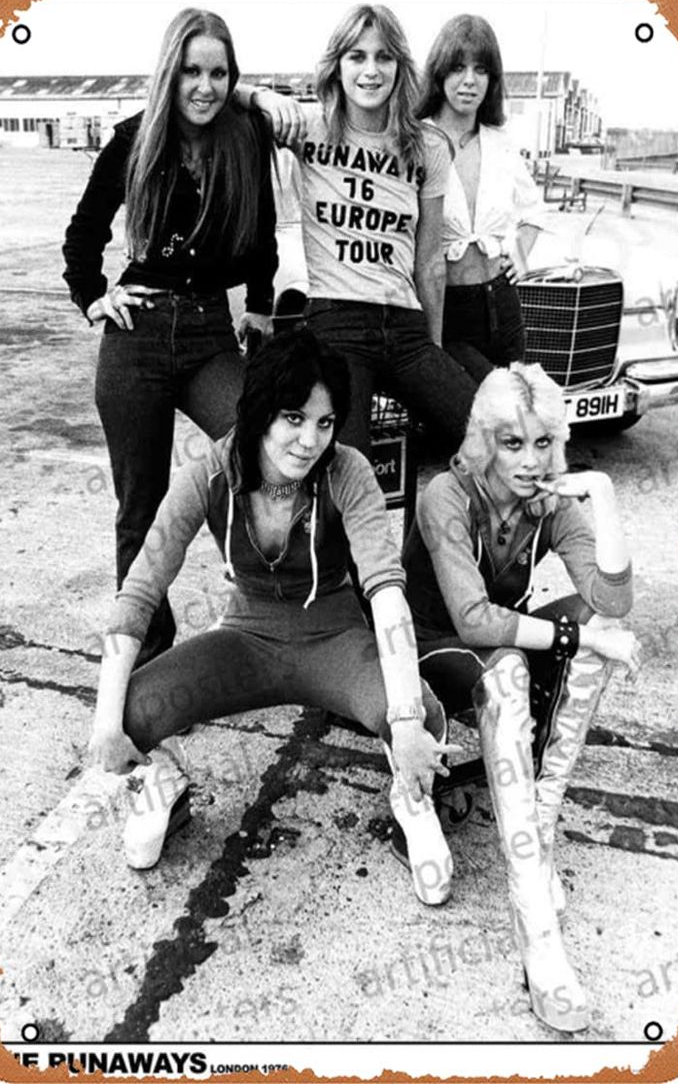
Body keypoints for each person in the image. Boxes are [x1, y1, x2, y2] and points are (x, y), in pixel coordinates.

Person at [88, 328, 461, 907]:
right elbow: (140, 590)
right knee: (133, 708)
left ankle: (411, 795)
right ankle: (162, 783)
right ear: (261, 410)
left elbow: (386, 590)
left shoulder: (349, 471)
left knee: (423, 712)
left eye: (325, 422)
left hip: (333, 633)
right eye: (293, 417)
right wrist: (106, 725)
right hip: (247, 636)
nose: (310, 440)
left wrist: (409, 726)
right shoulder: (209, 473)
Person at [402, 362, 639, 1031]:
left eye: (543, 442)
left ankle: (537, 827)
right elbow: (473, 620)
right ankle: (538, 931)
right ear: (483, 439)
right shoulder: (444, 494)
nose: (530, 461)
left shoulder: (552, 499)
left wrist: (601, 491)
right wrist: (579, 637)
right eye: (512, 443)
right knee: (513, 663)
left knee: (600, 628)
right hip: (425, 653)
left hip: (498, 647)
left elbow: (613, 600)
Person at [62, 8, 277, 667]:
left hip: (211, 333)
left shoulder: (244, 138)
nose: (204, 87)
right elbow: (84, 232)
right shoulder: (134, 138)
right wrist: (94, 296)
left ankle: (261, 616)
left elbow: (263, 242)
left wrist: (261, 310)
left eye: (217, 72)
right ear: (170, 72)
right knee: (141, 504)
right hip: (140, 335)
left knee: (255, 457)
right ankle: (149, 654)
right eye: (191, 71)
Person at [242, 4, 478, 456]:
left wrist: (433, 356)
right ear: (337, 66)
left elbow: (429, 264)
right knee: (350, 470)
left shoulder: (428, 145)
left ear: (400, 67)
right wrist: (261, 97)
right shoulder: (309, 128)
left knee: (485, 440)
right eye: (357, 56)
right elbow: (223, 90)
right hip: (338, 323)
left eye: (384, 57)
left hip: (406, 328)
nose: (371, 70)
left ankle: (432, 528)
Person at [416, 15, 543, 384]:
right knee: (471, 415)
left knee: (513, 416)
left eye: (481, 69)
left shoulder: (500, 141)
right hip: (446, 312)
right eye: (458, 67)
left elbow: (534, 210)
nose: (469, 81)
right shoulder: (418, 140)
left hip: (502, 306)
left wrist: (518, 256)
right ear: (439, 73)